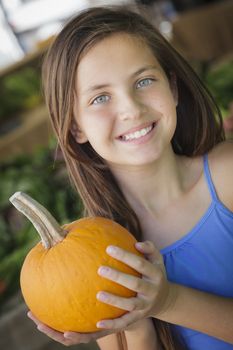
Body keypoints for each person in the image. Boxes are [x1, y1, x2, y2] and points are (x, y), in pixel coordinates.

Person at [27, 5, 233, 350]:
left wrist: (168, 302)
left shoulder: (227, 176)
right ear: (75, 126)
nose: (131, 109)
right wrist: (133, 322)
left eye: (144, 81)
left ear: (173, 88)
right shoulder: (97, 257)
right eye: (101, 97)